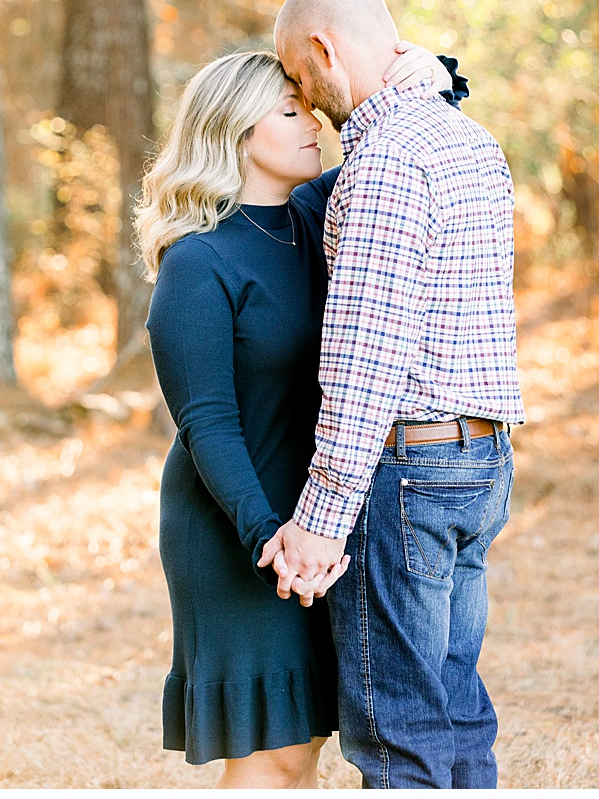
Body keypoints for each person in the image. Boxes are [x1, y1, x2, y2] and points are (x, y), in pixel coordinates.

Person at [140, 40, 458, 786]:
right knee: (272, 758)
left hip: (323, 522)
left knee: (306, 746)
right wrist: (272, 542)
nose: (315, 123)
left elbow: (410, 135)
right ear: (235, 130)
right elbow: (206, 423)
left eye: (309, 107)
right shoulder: (197, 261)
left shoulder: (318, 214)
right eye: (290, 112)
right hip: (239, 528)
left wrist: (434, 72)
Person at [260, 0, 524, 789]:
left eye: (298, 78)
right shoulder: (468, 139)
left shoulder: (385, 165)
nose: (307, 106)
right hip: (480, 461)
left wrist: (321, 519)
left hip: (407, 471)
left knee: (398, 732)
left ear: (325, 50)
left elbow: (365, 360)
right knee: (455, 709)